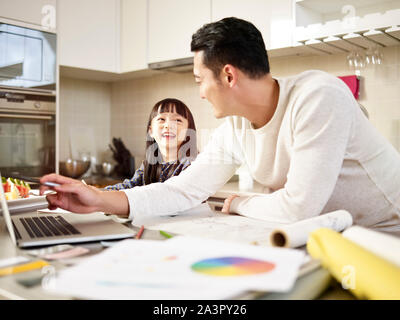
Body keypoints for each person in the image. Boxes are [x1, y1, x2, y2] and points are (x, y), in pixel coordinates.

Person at [41, 17, 400, 234]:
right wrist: (99, 199)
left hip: (386, 237)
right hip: (336, 234)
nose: (199, 93)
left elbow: (298, 207)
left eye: (200, 80)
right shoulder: (235, 128)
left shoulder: (318, 96)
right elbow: (183, 190)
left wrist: (241, 202)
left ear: (228, 75)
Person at [105, 98, 197, 190]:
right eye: (161, 119)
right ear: (151, 131)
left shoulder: (192, 165)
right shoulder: (149, 165)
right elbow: (128, 187)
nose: (168, 125)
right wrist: (100, 193)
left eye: (177, 120)